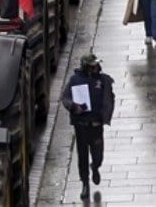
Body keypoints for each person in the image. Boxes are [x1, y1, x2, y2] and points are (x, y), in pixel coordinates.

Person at [60, 54, 115, 201]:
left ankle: (95, 167)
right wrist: (73, 107)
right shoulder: (75, 80)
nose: (95, 67)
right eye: (92, 65)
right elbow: (65, 98)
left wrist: (106, 113)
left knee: (98, 154)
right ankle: (85, 182)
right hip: (81, 125)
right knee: (82, 156)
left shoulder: (102, 80)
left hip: (96, 125)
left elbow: (109, 97)